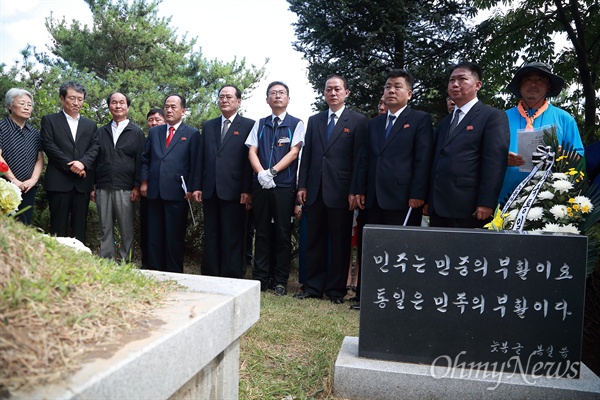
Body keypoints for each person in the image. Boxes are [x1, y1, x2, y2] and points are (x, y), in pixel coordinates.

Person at [351, 69, 435, 310]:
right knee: (372, 247)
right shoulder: (375, 123)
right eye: (388, 86)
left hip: (404, 199)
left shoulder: (419, 120)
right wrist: (359, 189)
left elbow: (423, 159)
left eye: (397, 86)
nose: (391, 90)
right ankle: (364, 296)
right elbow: (365, 158)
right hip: (373, 196)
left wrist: (418, 194)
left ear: (409, 93)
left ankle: (397, 294)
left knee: (400, 249)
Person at [295, 74, 368, 304]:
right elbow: (307, 156)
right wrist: (302, 185)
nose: (333, 93)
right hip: (315, 190)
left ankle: (336, 290)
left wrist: (355, 190)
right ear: (324, 93)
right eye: (328, 89)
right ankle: (313, 286)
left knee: (339, 242)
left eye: (337, 89)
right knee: (314, 240)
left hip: (341, 192)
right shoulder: (315, 120)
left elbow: (359, 159)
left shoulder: (357, 121)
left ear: (346, 93)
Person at [428, 62, 509, 228]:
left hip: (469, 206)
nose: (455, 84)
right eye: (451, 80)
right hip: (438, 207)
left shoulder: (492, 116)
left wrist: (486, 202)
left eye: (462, 79)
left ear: (478, 85)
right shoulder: (445, 122)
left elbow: (494, 162)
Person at [245, 81, 304, 296]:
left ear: (288, 98)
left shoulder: (296, 124)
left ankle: (280, 280)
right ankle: (260, 277)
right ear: (267, 99)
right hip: (260, 185)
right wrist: (261, 173)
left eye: (281, 93)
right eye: (273, 93)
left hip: (283, 186)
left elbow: (293, 152)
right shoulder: (259, 124)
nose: (277, 96)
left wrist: (272, 172)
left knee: (282, 232)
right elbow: (252, 151)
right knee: (261, 231)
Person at [498, 61, 584, 202]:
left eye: (540, 80)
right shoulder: (501, 118)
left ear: (549, 86)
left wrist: (562, 153)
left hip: (550, 201)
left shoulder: (564, 118)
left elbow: (579, 157)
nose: (533, 84)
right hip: (504, 197)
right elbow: (485, 153)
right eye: (528, 79)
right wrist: (501, 159)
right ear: (519, 85)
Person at [197, 85, 254, 278]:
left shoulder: (249, 125)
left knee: (233, 234)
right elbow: (201, 159)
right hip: (210, 188)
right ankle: (211, 272)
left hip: (236, 190)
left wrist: (248, 189)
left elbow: (250, 161)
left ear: (238, 101)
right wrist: (197, 186)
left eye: (229, 97)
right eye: (221, 97)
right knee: (211, 233)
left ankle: (233, 272)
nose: (224, 100)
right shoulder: (208, 125)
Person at [140, 94, 201, 273]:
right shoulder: (154, 132)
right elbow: (146, 159)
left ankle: (174, 271)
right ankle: (154, 269)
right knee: (154, 234)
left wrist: (191, 187)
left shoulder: (191, 134)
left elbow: (195, 163)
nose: (169, 110)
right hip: (154, 190)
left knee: (174, 235)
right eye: (166, 106)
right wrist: (144, 182)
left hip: (177, 192)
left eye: (173, 107)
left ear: (183, 110)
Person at [41, 81, 99, 242]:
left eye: (80, 99)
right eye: (72, 98)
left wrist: (83, 163)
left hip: (82, 183)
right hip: (59, 181)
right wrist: (72, 165)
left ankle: (79, 261)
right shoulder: (50, 120)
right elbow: (49, 145)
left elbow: (95, 147)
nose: (76, 103)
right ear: (62, 98)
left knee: (80, 227)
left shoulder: (90, 125)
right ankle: (55, 262)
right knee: (57, 226)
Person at [92, 92, 145, 261]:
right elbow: (95, 160)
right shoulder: (101, 132)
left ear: (128, 107)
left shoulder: (136, 132)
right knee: (105, 227)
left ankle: (125, 262)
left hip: (126, 188)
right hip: (103, 186)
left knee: (126, 229)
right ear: (109, 107)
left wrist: (137, 185)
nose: (118, 106)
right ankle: (106, 260)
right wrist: (93, 186)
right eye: (114, 103)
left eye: (122, 102)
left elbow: (140, 160)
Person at [0, 89, 44, 225]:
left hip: (29, 188)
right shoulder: (2, 127)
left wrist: (33, 180)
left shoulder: (34, 133)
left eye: (29, 105)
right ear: (9, 106)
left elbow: (40, 159)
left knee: (23, 227)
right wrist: (14, 181)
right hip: (5, 187)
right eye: (22, 103)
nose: (27, 107)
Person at [140, 108, 166, 268]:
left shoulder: (171, 137)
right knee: (147, 229)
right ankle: (147, 263)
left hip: (168, 191)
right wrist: (143, 182)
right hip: (149, 190)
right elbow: (144, 161)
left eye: (157, 119)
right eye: (150, 120)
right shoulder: (145, 138)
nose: (154, 122)